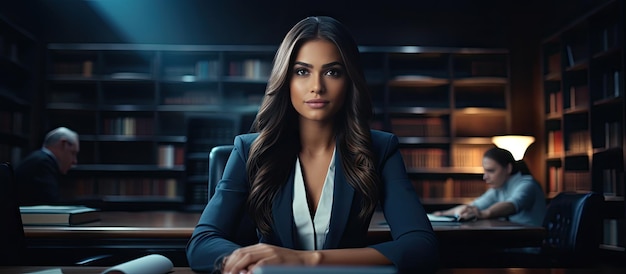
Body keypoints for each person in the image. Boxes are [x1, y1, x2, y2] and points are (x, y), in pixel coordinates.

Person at [186, 16, 438, 273]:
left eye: (332, 72)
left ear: (349, 80)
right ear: (286, 79)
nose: (317, 87)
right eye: (302, 71)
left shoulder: (381, 149)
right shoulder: (250, 150)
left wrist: (308, 260)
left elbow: (421, 246)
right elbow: (202, 243)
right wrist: (247, 261)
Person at [432, 147, 546, 226]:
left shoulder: (528, 184)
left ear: (508, 168)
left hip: (529, 247)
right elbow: (473, 206)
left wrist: (483, 214)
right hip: (513, 242)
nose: (485, 177)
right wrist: (441, 214)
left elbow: (512, 205)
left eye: (490, 171)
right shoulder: (499, 188)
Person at [15, 127, 80, 206]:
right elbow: (51, 205)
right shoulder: (43, 164)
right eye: (73, 153)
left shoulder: (40, 159)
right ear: (64, 144)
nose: (74, 161)